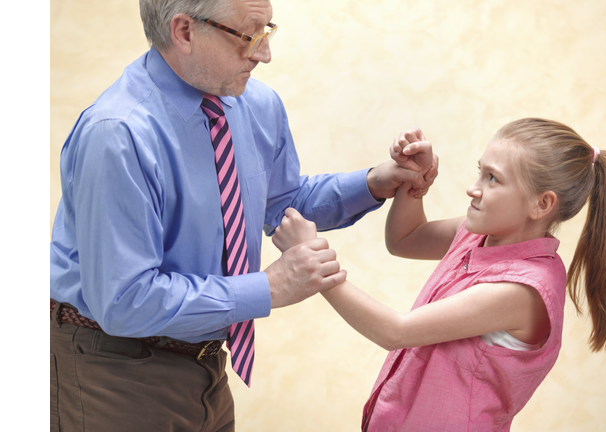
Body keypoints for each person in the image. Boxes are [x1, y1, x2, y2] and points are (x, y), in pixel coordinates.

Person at [49, 0, 437, 431]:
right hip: (113, 368)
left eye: (267, 30)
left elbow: (283, 203)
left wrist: (374, 182)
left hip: (206, 361)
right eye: (249, 34)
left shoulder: (255, 104)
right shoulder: (117, 135)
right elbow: (125, 301)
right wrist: (268, 288)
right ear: (184, 32)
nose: (264, 53)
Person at [272, 118, 606, 431]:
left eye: (492, 179)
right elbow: (406, 240)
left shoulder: (522, 290)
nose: (474, 187)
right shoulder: (480, 234)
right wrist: (416, 182)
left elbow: (397, 332)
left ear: (541, 204)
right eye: (480, 171)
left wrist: (312, 263)